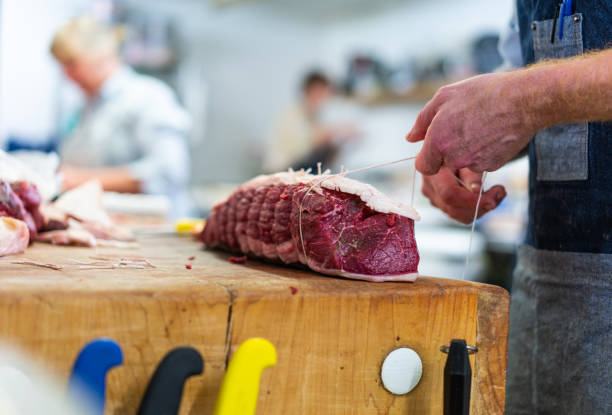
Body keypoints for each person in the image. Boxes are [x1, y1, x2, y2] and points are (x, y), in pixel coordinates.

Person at [407, 2, 611, 413]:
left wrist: (522, 99)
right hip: (548, 290)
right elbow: (540, 85)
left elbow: (533, 95)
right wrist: (466, 136)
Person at [50, 17, 191, 217]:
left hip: (154, 229)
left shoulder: (150, 96)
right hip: (102, 227)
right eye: (62, 66)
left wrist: (81, 179)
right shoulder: (82, 109)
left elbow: (167, 173)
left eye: (72, 63)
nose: (67, 75)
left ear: (100, 55)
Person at [264, 71, 358, 172]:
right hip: (282, 170)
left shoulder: (314, 115)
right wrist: (334, 131)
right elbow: (304, 144)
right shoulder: (293, 115)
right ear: (310, 91)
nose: (325, 98)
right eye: (321, 92)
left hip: (296, 168)